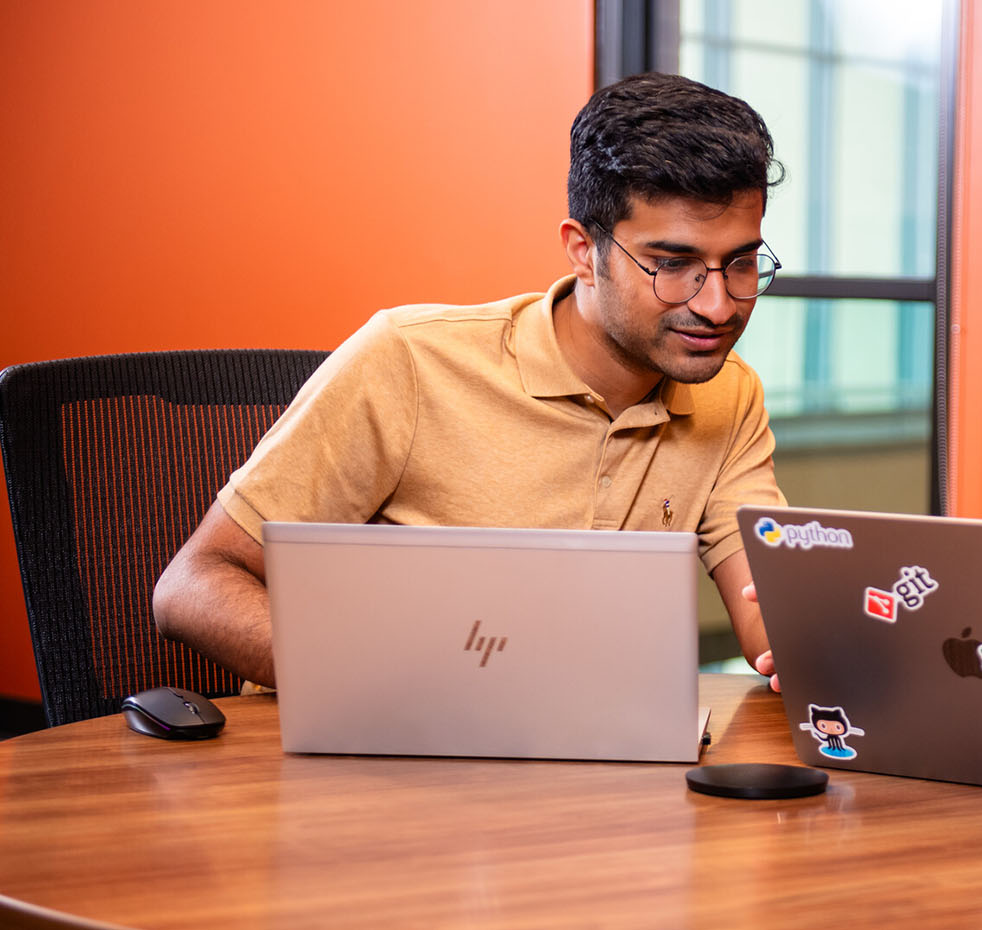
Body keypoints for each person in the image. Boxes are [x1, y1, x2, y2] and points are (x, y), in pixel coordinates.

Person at [153, 72, 786, 687]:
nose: (719, 306)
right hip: (372, 760)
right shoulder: (409, 360)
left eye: (740, 262)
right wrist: (379, 687)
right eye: (672, 265)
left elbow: (770, 611)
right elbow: (192, 585)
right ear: (581, 251)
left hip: (586, 763)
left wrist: (819, 641)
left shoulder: (728, 394)